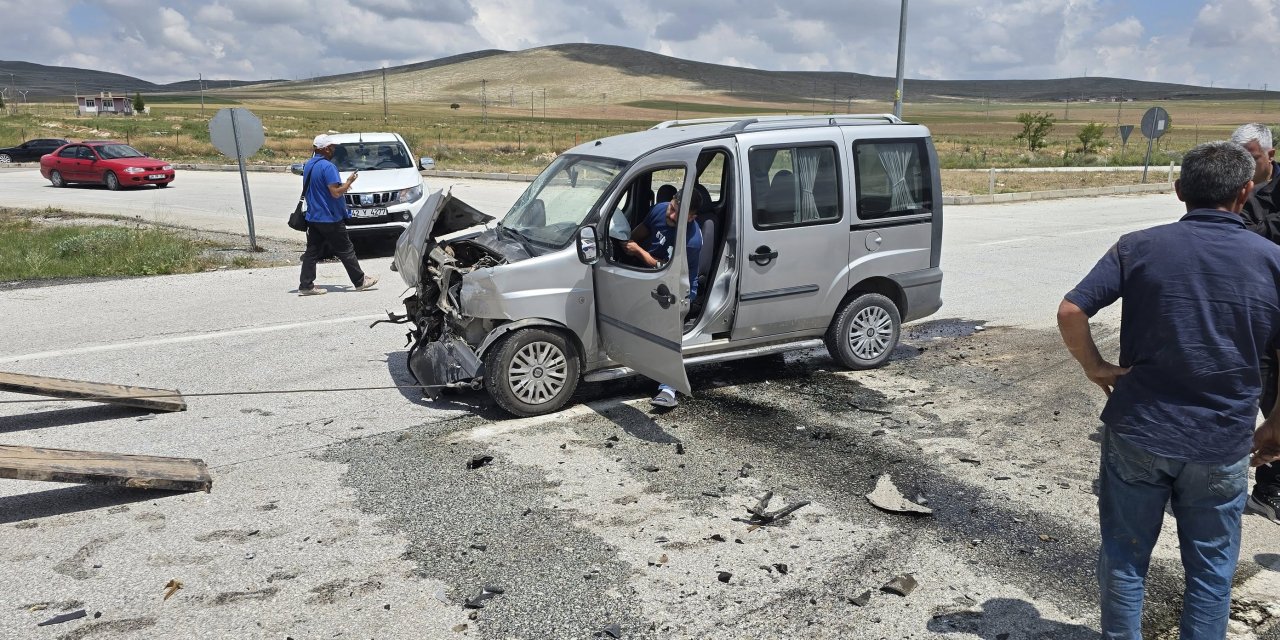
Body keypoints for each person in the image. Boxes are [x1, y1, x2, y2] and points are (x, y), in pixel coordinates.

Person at [1057, 140, 1280, 639]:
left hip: (1139, 429)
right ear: (1246, 191)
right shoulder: (1272, 261)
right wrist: (1275, 427)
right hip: (1221, 441)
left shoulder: (1137, 246)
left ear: (1179, 191)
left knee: (1125, 554)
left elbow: (1072, 310)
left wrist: (1095, 367)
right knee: (1211, 569)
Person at [1232, 123, 1280, 523]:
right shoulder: (1233, 191)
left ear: (1271, 154)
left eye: (1253, 156)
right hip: (1257, 312)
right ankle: (1269, 488)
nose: (1247, 164)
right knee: (1262, 398)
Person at [622, 187, 703, 408]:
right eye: (672, 208)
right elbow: (641, 231)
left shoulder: (692, 240)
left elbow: (666, 270)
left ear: (692, 217)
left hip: (679, 287)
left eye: (679, 214)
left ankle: (668, 389)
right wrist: (627, 244)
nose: (671, 215)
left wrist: (639, 252)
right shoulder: (659, 210)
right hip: (651, 276)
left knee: (668, 334)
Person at [298, 134, 378, 296]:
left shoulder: (309, 165)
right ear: (325, 149)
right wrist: (348, 183)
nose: (333, 149)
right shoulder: (328, 167)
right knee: (346, 249)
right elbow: (335, 193)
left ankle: (306, 285)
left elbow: (320, 188)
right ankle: (360, 281)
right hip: (330, 217)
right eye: (332, 147)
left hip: (314, 216)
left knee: (312, 252)